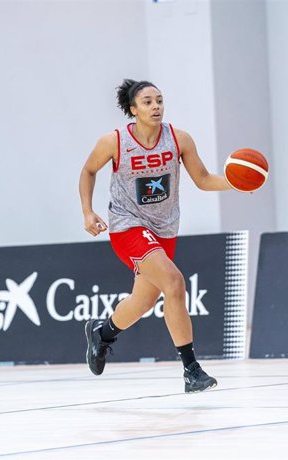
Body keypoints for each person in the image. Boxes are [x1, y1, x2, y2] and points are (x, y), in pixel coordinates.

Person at [78, 79, 232, 393]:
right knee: (174, 282)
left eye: (159, 100)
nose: (156, 106)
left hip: (164, 229)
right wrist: (87, 211)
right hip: (128, 225)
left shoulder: (179, 139)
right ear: (133, 110)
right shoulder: (115, 142)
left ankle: (102, 333)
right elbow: (88, 171)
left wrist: (236, 182)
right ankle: (192, 370)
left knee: (144, 301)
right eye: (148, 102)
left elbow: (202, 180)